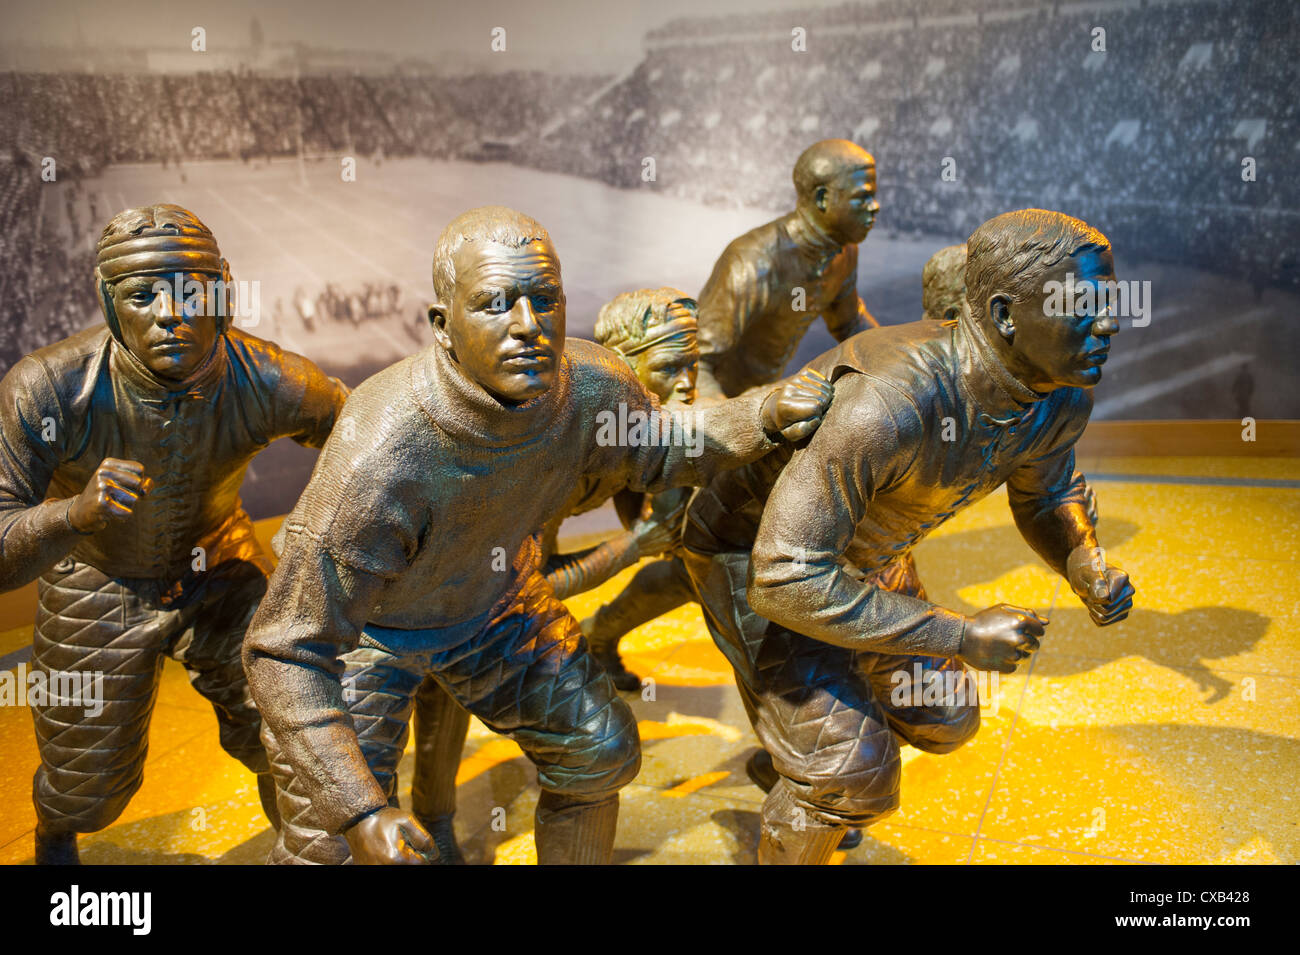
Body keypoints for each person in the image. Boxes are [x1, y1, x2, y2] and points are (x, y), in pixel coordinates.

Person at [244, 207, 832, 865]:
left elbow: (663, 445)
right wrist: (361, 809)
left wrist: (765, 413)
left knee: (597, 749)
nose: (528, 325)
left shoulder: (590, 384)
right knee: (332, 847)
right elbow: (284, 649)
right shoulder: (379, 448)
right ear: (443, 327)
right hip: (368, 636)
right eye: (496, 304)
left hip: (496, 604)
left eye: (543, 298)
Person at [682, 209, 1135, 864]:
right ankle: (822, 778)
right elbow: (783, 577)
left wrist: (1083, 559)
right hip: (754, 558)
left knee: (947, 714)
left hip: (864, 557)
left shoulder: (1059, 394)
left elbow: (1046, 492)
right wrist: (956, 632)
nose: (1110, 323)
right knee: (856, 770)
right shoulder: (887, 402)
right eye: (1083, 306)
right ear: (1007, 316)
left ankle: (804, 764)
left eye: (1111, 302)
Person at [0, 203, 349, 864]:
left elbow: (365, 439)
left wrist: (327, 544)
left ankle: (305, 851)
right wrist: (73, 515)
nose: (170, 314)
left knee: (290, 731)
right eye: (142, 296)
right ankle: (55, 834)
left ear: (222, 290)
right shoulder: (48, 387)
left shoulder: (266, 375)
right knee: (88, 788)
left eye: (192, 292)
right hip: (95, 575)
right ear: (109, 303)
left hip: (221, 563)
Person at [407, 287, 704, 863]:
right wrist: (631, 547)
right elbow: (523, 592)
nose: (689, 384)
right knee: (439, 690)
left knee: (589, 734)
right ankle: (432, 816)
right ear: (624, 369)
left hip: (496, 573)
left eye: (694, 365)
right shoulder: (559, 434)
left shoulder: (632, 421)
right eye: (672, 369)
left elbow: (651, 494)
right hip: (445, 584)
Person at [695, 139, 880, 401]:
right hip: (721, 405)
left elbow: (850, 325)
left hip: (764, 398)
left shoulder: (843, 251)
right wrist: (725, 424)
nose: (875, 206)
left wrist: (900, 354)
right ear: (822, 198)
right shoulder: (753, 261)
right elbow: (697, 363)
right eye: (862, 197)